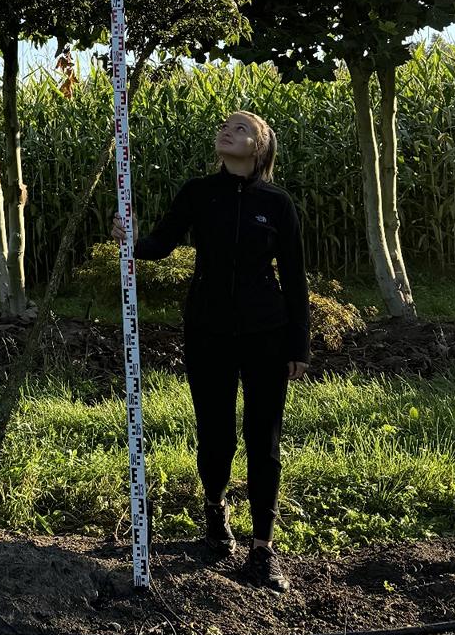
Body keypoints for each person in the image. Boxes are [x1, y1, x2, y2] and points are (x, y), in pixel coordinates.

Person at [113, 109, 310, 592]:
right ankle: (215, 509)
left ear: (260, 146)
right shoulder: (198, 193)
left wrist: (298, 344)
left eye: (241, 127)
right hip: (208, 329)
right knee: (215, 430)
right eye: (224, 125)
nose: (227, 129)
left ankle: (263, 548)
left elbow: (295, 277)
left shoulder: (277, 204)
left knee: (263, 437)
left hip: (267, 330)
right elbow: (162, 243)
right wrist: (130, 241)